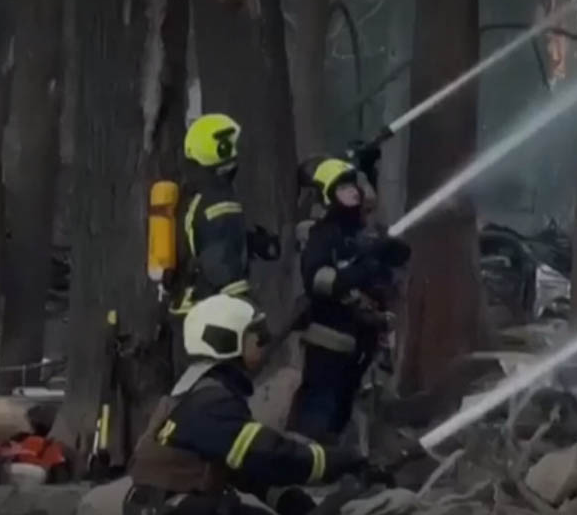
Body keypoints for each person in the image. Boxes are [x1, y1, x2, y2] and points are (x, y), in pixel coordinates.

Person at [127, 294, 374, 515]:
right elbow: (268, 454)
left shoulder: (199, 390)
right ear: (226, 340)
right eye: (257, 334)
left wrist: (290, 502)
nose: (265, 341)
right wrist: (337, 461)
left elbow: (245, 469)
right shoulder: (211, 402)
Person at [289, 158, 410, 443]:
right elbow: (320, 281)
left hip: (360, 341)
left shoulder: (358, 232)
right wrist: (362, 269)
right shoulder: (323, 235)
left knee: (344, 412)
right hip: (329, 341)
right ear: (328, 195)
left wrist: (386, 250)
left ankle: (335, 469)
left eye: (353, 184)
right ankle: (305, 466)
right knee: (319, 411)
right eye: (343, 187)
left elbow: (397, 259)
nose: (353, 191)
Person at [168, 114, 278, 373]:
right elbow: (220, 262)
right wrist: (248, 309)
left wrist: (250, 243)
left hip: (188, 305)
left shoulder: (194, 194)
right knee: (217, 384)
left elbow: (205, 239)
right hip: (211, 314)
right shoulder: (219, 201)